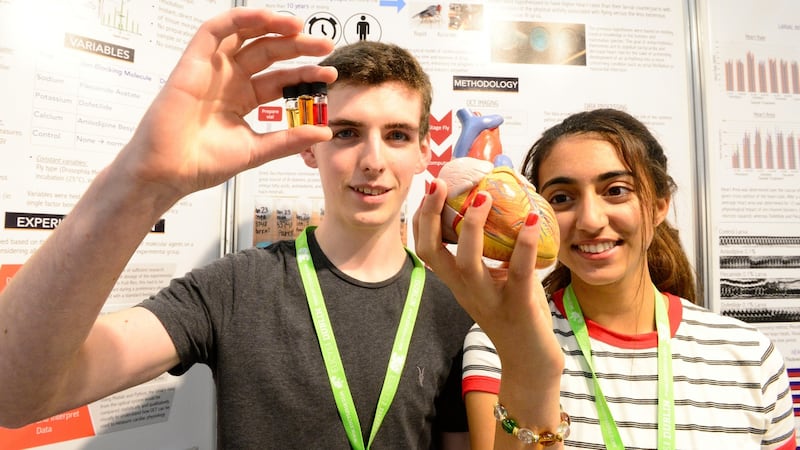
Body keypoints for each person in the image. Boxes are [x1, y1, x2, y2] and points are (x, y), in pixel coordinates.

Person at [0, 8, 475, 449]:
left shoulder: (453, 307)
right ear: (310, 145)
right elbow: (15, 395)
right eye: (345, 132)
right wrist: (139, 183)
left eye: (397, 135)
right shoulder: (234, 287)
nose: (373, 161)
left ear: (423, 153)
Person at [413, 108, 797, 449]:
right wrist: (529, 365)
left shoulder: (750, 355)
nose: (591, 221)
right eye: (562, 198)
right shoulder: (498, 342)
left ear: (659, 205)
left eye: (616, 191)